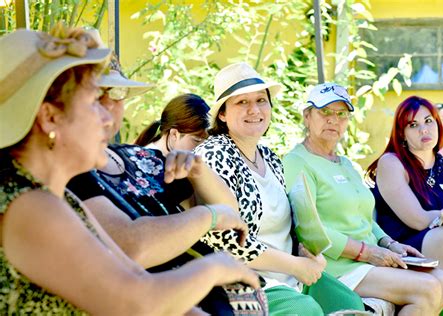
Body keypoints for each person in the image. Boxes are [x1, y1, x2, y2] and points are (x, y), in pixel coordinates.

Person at [0, 26, 259, 315]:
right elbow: (136, 303)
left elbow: (137, 281)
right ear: (49, 117)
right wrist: (215, 267)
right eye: (93, 102)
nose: (107, 117)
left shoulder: (53, 198)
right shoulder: (27, 204)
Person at [67, 48, 263, 314]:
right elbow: (132, 248)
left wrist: (199, 171)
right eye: (95, 94)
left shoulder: (140, 158)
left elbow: (232, 212)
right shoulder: (71, 171)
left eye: (116, 93)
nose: (108, 109)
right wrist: (210, 219)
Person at [194, 63, 365, 315]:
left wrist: (306, 253)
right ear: (222, 114)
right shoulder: (213, 154)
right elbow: (226, 242)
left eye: (261, 100)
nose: (254, 110)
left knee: (348, 303)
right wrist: (295, 265)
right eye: (241, 103)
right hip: (241, 279)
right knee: (305, 310)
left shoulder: (269, 157)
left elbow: (290, 224)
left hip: (288, 273)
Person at [284, 85, 443, 315]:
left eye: (341, 114)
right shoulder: (297, 161)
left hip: (368, 261)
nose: (334, 120)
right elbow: (310, 231)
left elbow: (364, 216)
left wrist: (389, 244)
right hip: (336, 268)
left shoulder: (345, 163)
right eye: (325, 112)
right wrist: (368, 253)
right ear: (307, 116)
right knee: (429, 289)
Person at [366, 96, 443, 281]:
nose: (424, 129)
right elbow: (418, 220)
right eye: (413, 125)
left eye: (428, 121)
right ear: (402, 133)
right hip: (410, 252)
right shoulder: (392, 163)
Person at [134, 93, 210, 152]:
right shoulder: (147, 163)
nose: (202, 149)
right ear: (174, 134)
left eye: (205, 143)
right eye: (196, 141)